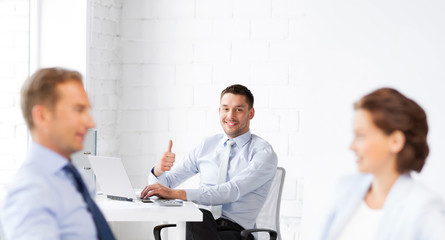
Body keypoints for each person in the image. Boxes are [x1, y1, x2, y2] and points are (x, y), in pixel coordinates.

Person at [140, 84, 278, 240]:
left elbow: (231, 191)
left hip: (237, 233)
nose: (230, 116)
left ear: (250, 113)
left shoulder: (263, 153)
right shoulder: (207, 145)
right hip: (201, 226)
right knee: (196, 215)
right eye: (225, 109)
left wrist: (177, 194)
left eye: (238, 109)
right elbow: (168, 182)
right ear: (219, 111)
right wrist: (158, 171)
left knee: (196, 214)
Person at [1, 68, 115, 240]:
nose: (90, 122)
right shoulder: (32, 190)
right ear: (42, 116)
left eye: (88, 111)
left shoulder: (78, 178)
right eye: (78, 110)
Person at [318, 88, 445, 240]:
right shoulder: (344, 189)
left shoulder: (422, 208)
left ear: (395, 141)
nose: (352, 146)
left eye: (360, 136)